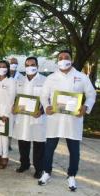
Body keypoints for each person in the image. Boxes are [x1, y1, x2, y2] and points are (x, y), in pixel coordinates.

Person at [38, 50, 96, 191]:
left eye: (66, 57)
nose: (63, 60)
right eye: (60, 58)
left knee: (74, 151)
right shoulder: (51, 78)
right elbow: (43, 96)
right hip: (55, 119)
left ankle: (71, 175)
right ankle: (46, 172)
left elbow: (91, 94)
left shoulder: (81, 77)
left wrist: (85, 107)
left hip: (73, 120)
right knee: (49, 149)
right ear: (57, 61)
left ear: (71, 60)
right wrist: (46, 106)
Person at [12, 57, 46, 179]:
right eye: (27, 65)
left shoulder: (44, 80)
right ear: (24, 67)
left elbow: (49, 98)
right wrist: (14, 106)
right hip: (23, 118)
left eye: (32, 64)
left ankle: (39, 168)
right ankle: (24, 164)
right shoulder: (20, 80)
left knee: (38, 145)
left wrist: (41, 111)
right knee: (23, 143)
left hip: (37, 118)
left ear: (37, 66)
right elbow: (16, 97)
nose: (30, 67)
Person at [8, 57, 24, 151]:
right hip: (5, 104)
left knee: (15, 126)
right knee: (5, 125)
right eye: (11, 63)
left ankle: (9, 144)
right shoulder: (3, 75)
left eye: (15, 63)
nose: (13, 65)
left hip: (17, 105)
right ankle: (6, 144)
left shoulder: (21, 77)